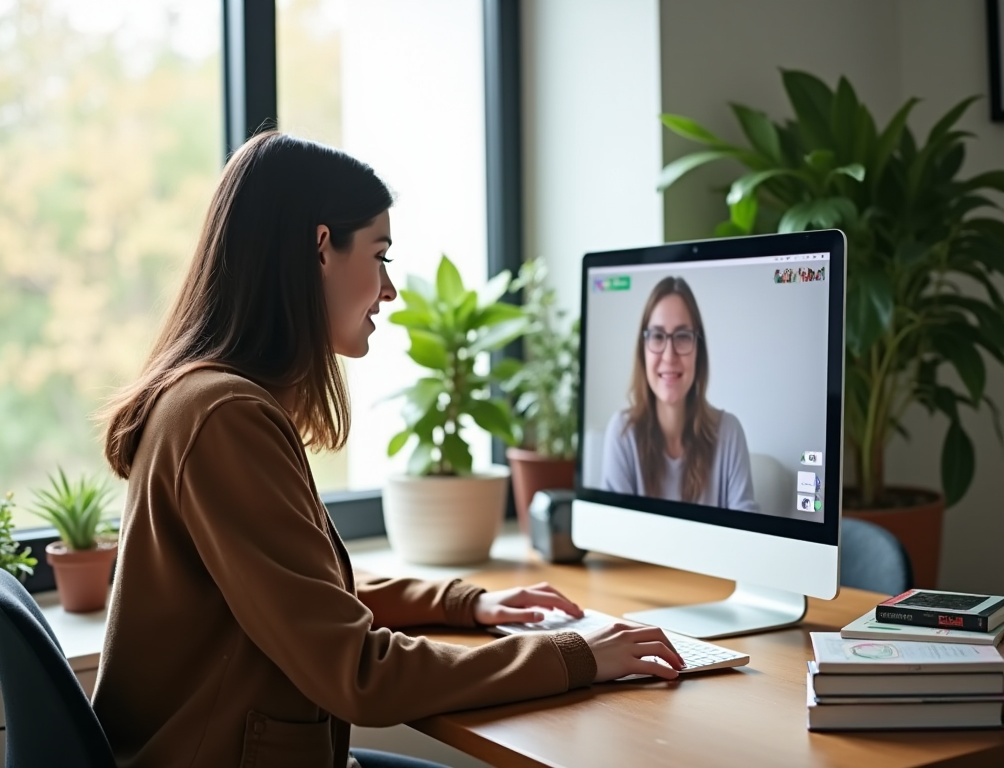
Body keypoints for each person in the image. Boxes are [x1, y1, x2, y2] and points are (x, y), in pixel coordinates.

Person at [91, 132, 685, 768]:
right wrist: (575, 655)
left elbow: (306, 586)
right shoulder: (223, 418)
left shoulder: (208, 403)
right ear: (321, 248)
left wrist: (466, 604)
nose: (389, 290)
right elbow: (358, 674)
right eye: (381, 256)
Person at [600, 276, 758, 512]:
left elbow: (748, 539)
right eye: (657, 336)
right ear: (642, 351)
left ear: (698, 351)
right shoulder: (623, 433)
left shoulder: (729, 433)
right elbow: (614, 536)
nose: (669, 355)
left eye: (683, 336)